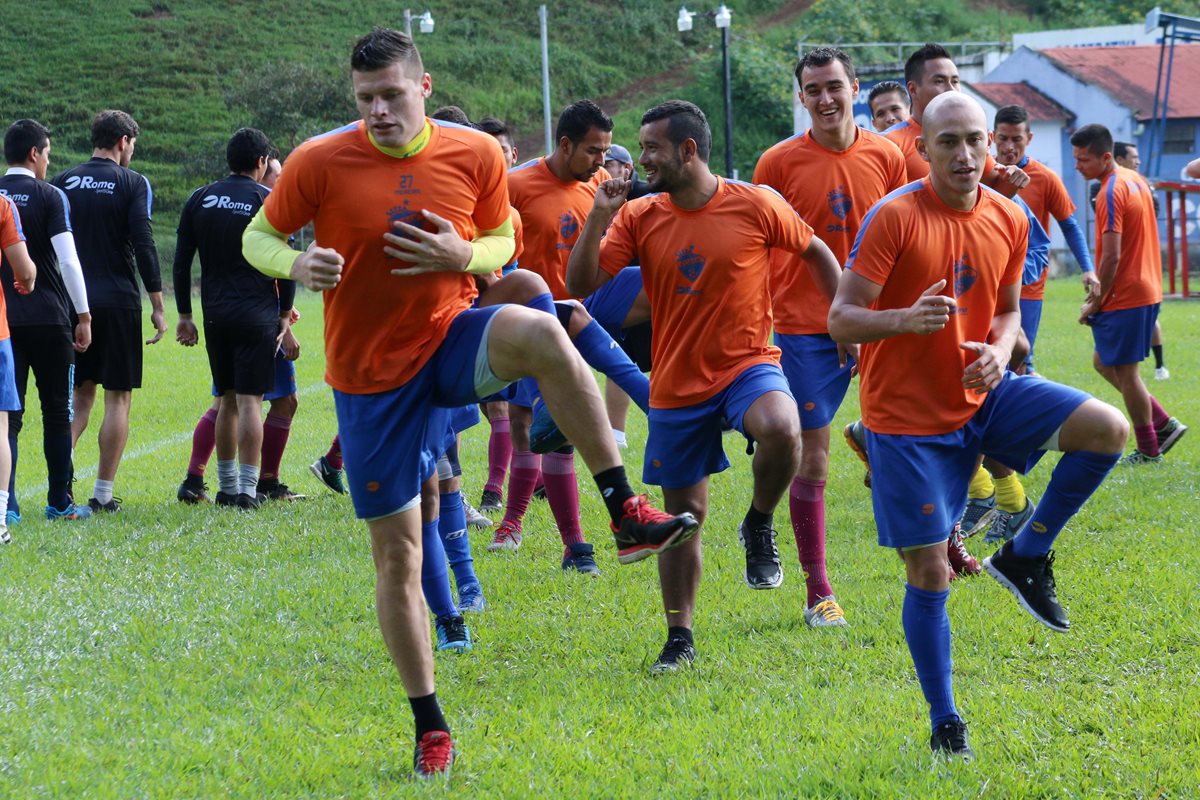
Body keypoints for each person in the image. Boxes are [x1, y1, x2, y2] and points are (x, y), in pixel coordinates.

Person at [242, 27, 697, 777]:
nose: (379, 111)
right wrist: (297, 260)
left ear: (423, 87)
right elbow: (257, 236)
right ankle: (429, 725)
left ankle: (622, 509)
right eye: (365, 100)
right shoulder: (322, 159)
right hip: (369, 377)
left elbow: (501, 240)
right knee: (398, 555)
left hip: (448, 338)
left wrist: (464, 255)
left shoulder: (475, 153)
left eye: (392, 94)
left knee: (539, 324)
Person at [828, 92, 1128, 759]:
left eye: (974, 141)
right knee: (930, 571)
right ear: (923, 148)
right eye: (947, 143)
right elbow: (841, 318)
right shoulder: (894, 217)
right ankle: (946, 722)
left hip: (983, 394)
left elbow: (1007, 312)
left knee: (1107, 429)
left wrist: (999, 348)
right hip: (905, 422)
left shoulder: (1011, 215)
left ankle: (1024, 555)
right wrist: (902, 319)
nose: (964, 156)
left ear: (990, 142)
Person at [567, 99, 842, 671]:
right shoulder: (641, 216)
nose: (640, 159)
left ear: (687, 150)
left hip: (749, 363)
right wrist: (598, 215)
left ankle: (759, 521)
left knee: (783, 428)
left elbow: (816, 250)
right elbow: (582, 282)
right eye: (640, 148)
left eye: (651, 148)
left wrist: (841, 321)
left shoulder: (756, 204)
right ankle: (680, 638)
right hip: (676, 379)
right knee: (681, 521)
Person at [752, 47, 906, 626]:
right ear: (800, 97)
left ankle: (943, 542)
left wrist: (877, 319)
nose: (824, 98)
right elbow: (760, 251)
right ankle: (820, 593)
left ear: (855, 88)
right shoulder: (777, 163)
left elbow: (907, 237)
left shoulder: (888, 156)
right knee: (810, 460)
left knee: (930, 432)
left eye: (834, 86)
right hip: (804, 327)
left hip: (880, 323)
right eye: (812, 89)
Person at [496, 100, 654, 575]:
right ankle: (575, 546)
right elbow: (498, 252)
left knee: (659, 279)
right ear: (564, 145)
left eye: (606, 151)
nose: (600, 162)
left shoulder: (597, 189)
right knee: (552, 436)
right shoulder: (516, 185)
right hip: (537, 326)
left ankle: (671, 393)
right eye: (592, 151)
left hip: (588, 313)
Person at [52, 110, 166, 513]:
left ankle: (58, 487)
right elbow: (144, 241)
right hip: (118, 301)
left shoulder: (62, 182)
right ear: (123, 142)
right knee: (118, 398)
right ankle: (102, 494)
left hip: (71, 302)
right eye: (132, 145)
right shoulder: (134, 183)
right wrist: (157, 303)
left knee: (79, 398)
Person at [174, 128, 292, 509]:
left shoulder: (201, 198)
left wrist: (185, 314)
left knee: (225, 399)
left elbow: (181, 262)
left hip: (216, 315)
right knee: (251, 402)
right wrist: (284, 315)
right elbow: (285, 266)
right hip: (256, 314)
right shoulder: (267, 199)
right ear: (261, 163)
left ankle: (225, 488)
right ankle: (246, 490)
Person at [1072, 124, 1187, 464]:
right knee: (1103, 362)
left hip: (1127, 293)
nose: (1078, 165)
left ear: (1106, 157)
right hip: (1146, 287)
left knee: (1127, 373)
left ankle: (1150, 448)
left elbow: (1112, 255)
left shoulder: (1110, 190)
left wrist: (1095, 300)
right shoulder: (1134, 178)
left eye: (1083, 159)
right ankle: (1162, 423)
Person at [0, 119, 93, 524]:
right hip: (51, 319)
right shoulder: (50, 195)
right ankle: (60, 502)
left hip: (4, 324)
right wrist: (84, 314)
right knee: (58, 411)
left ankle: (9, 506)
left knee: (8, 418)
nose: (48, 161)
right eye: (48, 153)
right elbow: (68, 260)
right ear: (35, 153)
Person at [883, 44, 1028, 196]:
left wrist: (1012, 181)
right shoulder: (890, 144)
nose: (951, 89)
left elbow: (995, 193)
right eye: (939, 81)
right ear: (913, 89)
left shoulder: (970, 134)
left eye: (955, 81)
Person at [0, 172, 39, 542]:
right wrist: (27, 281)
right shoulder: (2, 205)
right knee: (0, 426)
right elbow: (24, 270)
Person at [1114, 141, 1169, 380]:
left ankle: (1159, 367)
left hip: (1140, 270)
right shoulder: (1106, 188)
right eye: (1133, 157)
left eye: (1138, 157)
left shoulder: (1142, 183)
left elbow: (1152, 213)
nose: (1137, 161)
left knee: (1119, 366)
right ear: (1118, 159)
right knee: (1107, 361)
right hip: (1122, 270)